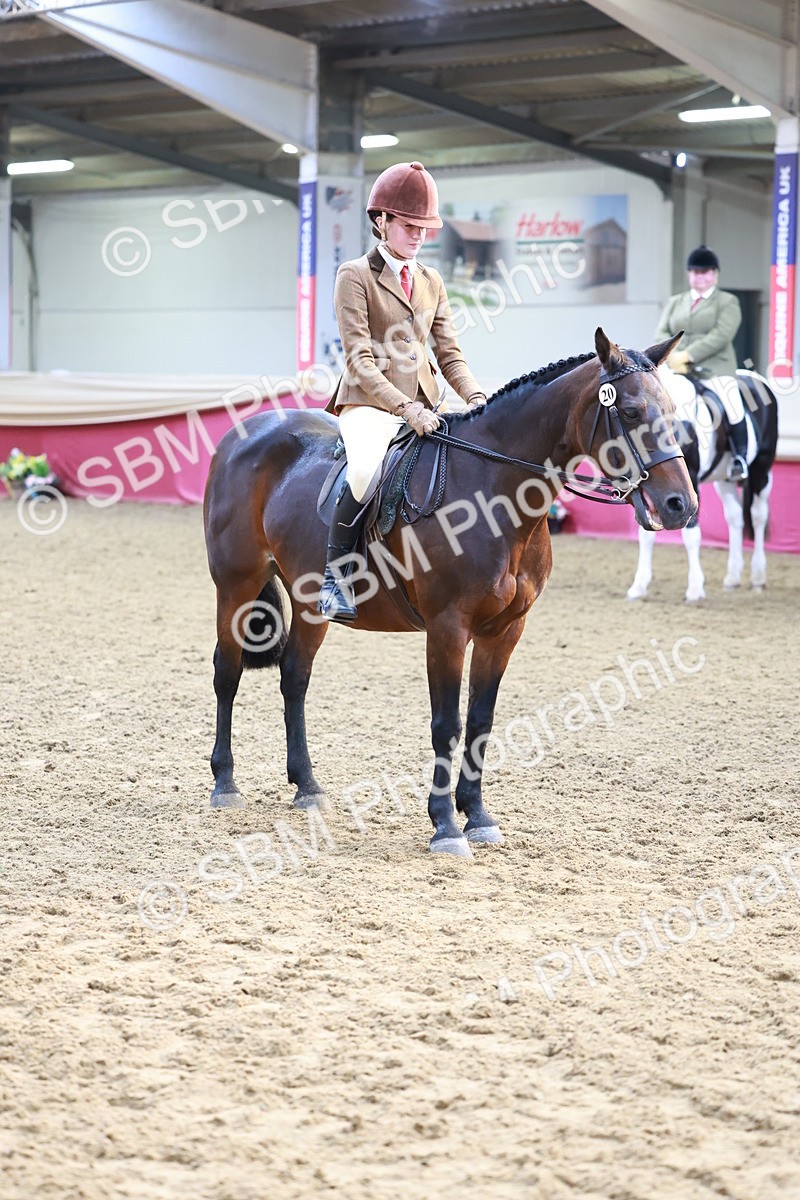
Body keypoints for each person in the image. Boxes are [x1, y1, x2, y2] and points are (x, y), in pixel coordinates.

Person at [319, 161, 487, 622]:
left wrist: (475, 397)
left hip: (430, 406)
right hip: (370, 404)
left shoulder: (431, 281)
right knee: (365, 472)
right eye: (410, 226)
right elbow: (359, 359)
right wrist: (405, 407)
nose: (418, 236)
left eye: (425, 228)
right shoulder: (354, 276)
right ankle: (336, 577)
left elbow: (449, 352)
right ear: (381, 221)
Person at [655, 245, 747, 481]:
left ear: (715, 274)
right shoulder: (676, 301)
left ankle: (740, 458)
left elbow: (721, 335)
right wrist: (671, 357)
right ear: (689, 274)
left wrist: (688, 355)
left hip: (714, 369)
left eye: (705, 272)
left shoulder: (727, 301)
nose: (700, 277)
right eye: (696, 272)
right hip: (675, 368)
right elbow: (662, 333)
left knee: (732, 402)